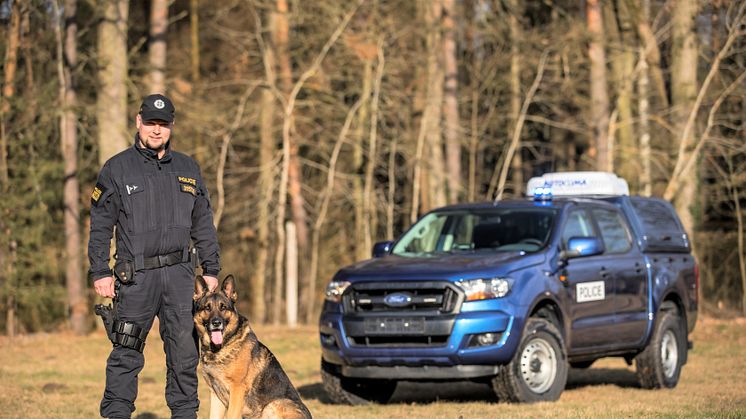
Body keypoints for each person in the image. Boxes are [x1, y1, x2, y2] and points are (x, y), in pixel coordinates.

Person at [89, 94, 221, 419]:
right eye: (151, 123)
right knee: (126, 354)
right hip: (136, 281)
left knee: (184, 357)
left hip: (180, 278)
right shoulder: (117, 168)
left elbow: (203, 222)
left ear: (172, 126)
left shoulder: (189, 169)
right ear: (138, 122)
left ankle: (185, 415)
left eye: (163, 124)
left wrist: (211, 268)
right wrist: (100, 271)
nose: (156, 130)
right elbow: (100, 226)